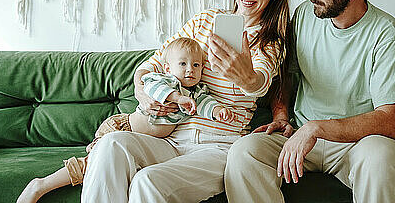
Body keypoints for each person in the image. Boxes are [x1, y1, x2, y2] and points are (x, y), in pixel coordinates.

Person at [81, 0, 290, 203]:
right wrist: (142, 93)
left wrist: (245, 74)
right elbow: (152, 65)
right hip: (172, 137)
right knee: (110, 144)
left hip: (218, 147)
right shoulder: (204, 20)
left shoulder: (271, 43)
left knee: (147, 182)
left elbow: (259, 82)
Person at [225, 0, 395, 203]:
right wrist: (281, 115)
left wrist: (318, 128)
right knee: (244, 152)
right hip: (300, 136)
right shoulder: (305, 15)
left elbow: (391, 121)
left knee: (379, 157)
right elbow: (287, 76)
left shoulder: (385, 34)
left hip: (357, 142)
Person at [16, 37, 234, 203]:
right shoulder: (164, 80)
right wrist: (177, 97)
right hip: (125, 126)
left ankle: (41, 185)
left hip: (148, 140)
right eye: (184, 64)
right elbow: (152, 86)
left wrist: (218, 111)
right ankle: (40, 185)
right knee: (94, 163)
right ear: (168, 67)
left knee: (101, 163)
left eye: (196, 66)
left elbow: (204, 103)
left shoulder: (194, 91)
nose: (190, 70)